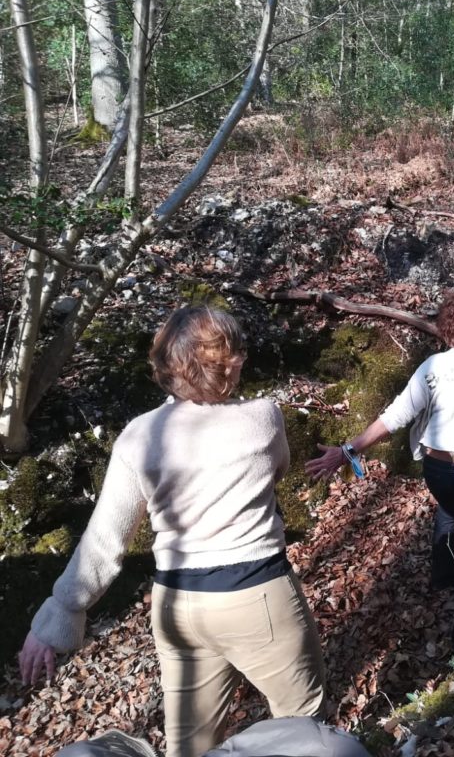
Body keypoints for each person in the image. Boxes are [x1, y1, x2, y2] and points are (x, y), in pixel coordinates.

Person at [20, 307, 327, 757]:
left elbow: (105, 542)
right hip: (255, 595)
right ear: (231, 361)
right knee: (305, 728)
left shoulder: (137, 436)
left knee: (190, 745)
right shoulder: (264, 417)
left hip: (176, 607)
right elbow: (277, 470)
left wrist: (58, 616)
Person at [305, 288, 454, 664]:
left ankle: (440, 576)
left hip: (437, 467)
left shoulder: (432, 367)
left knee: (450, 508)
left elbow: (395, 417)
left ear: (445, 327)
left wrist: (348, 451)